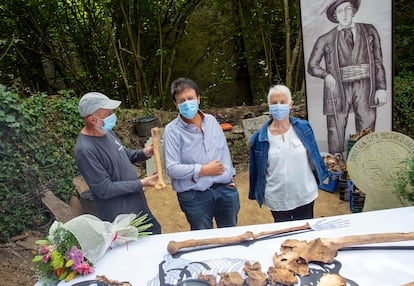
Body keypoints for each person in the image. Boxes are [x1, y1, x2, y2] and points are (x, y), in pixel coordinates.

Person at [74, 91, 161, 234]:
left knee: (156, 231)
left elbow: (123, 153)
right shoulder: (85, 151)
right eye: (107, 114)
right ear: (91, 119)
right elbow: (104, 189)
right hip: (121, 217)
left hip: (138, 207)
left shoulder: (106, 132)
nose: (112, 116)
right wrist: (141, 183)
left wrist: (144, 153)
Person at [307, 0, 387, 155]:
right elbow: (312, 65)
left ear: (353, 11)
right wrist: (326, 75)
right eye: (340, 11)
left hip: (365, 86)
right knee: (335, 128)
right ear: (335, 16)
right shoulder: (325, 39)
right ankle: (336, 167)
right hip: (337, 89)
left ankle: (364, 163)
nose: (344, 14)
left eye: (347, 9)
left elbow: (378, 61)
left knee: (367, 126)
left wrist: (381, 88)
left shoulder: (369, 31)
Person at [163, 77, 240, 230]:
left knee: (230, 235)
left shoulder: (211, 121)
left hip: (225, 190)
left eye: (190, 98)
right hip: (195, 196)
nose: (187, 103)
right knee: (203, 241)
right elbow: (171, 168)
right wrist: (203, 170)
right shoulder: (172, 131)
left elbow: (223, 151)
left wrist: (231, 177)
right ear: (175, 105)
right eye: (181, 100)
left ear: (198, 99)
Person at [249, 85, 329, 222]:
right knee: (283, 237)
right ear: (269, 105)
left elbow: (314, 154)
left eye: (282, 102)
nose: (278, 106)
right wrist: (255, 192)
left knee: (304, 235)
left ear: (290, 104)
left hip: (304, 194)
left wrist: (322, 175)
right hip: (277, 198)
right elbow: (255, 170)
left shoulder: (304, 128)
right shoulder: (259, 138)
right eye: (274, 103)